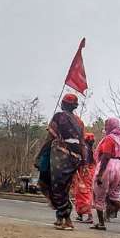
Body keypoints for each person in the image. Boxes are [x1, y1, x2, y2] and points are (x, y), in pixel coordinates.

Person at [37, 93, 85, 230]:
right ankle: (60, 216)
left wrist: (40, 155)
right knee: (63, 187)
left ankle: (67, 219)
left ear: (64, 104)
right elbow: (82, 142)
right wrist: (82, 161)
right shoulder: (80, 122)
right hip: (75, 158)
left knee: (54, 186)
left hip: (60, 155)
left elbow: (50, 137)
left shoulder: (59, 116)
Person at [73, 133, 96, 223]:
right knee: (80, 192)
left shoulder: (84, 148)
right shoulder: (90, 149)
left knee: (84, 192)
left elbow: (83, 159)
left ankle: (89, 215)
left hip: (84, 172)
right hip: (86, 171)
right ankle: (80, 214)